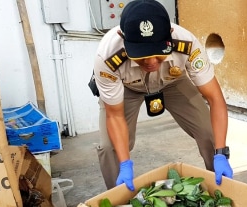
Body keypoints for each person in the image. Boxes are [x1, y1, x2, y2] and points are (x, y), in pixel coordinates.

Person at [92, 0, 233, 190]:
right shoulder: (107, 57)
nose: (150, 62)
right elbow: (115, 115)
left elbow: (215, 99)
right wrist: (125, 164)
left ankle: (221, 187)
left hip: (173, 81)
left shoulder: (187, 43)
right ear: (122, 37)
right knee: (110, 148)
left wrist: (221, 153)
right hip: (127, 88)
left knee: (210, 133)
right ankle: (120, 200)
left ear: (171, 35)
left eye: (158, 53)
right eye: (141, 54)